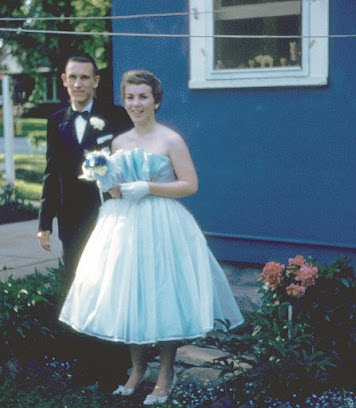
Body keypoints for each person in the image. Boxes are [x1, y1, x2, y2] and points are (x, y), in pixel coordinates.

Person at [59, 70, 244, 405]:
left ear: (156, 101)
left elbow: (190, 184)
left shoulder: (170, 140)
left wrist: (149, 187)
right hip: (125, 226)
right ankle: (136, 368)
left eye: (143, 96)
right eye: (130, 97)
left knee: (162, 297)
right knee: (131, 296)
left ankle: (165, 372)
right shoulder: (119, 141)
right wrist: (104, 179)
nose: (136, 103)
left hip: (162, 224)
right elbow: (116, 190)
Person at [36, 53, 133, 390]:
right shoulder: (56, 120)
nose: (78, 84)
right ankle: (85, 362)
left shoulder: (116, 117)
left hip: (109, 214)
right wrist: (44, 220)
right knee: (79, 285)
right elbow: (52, 171)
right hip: (72, 220)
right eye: (72, 77)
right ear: (63, 80)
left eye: (85, 77)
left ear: (96, 81)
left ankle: (114, 365)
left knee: (111, 285)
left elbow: (128, 161)